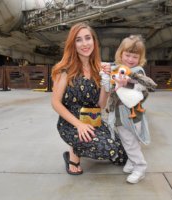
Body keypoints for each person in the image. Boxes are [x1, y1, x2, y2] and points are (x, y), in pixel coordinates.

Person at [51, 22, 127, 175]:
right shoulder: (65, 69)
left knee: (122, 155)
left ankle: (80, 145)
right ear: (73, 44)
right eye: (79, 40)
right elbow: (55, 103)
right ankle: (73, 154)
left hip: (93, 120)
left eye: (88, 38)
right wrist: (79, 125)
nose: (85, 44)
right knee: (105, 148)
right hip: (71, 122)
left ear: (94, 41)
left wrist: (106, 81)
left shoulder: (99, 68)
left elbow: (100, 104)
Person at [107, 35, 155, 184]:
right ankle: (132, 161)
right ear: (121, 53)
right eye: (127, 55)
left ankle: (140, 167)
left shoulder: (137, 70)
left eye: (135, 56)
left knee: (130, 140)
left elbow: (142, 86)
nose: (130, 59)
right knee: (129, 140)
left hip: (132, 113)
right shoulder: (116, 69)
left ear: (140, 58)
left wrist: (127, 82)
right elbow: (109, 86)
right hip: (120, 112)